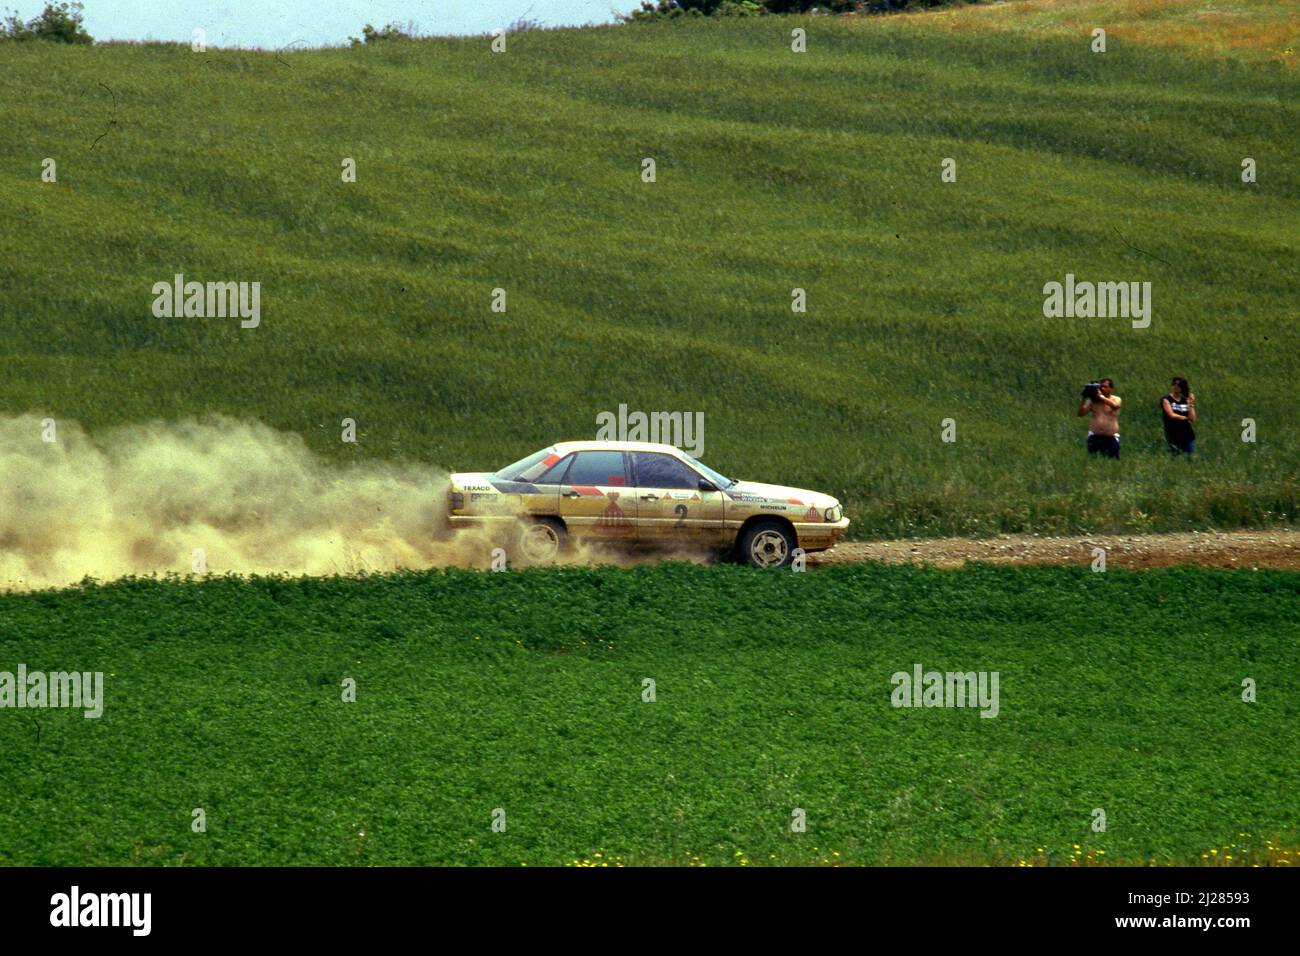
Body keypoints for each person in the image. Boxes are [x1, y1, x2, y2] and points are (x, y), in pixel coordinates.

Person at [1077, 378, 1121, 458]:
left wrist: (1101, 397)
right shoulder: (1093, 401)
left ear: (1111, 389)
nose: (1102, 389)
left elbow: (1115, 406)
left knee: (1113, 461)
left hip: (1111, 437)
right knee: (1093, 460)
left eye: (1105, 387)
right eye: (1101, 387)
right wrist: (1084, 398)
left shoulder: (1116, 399)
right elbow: (1081, 413)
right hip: (1095, 437)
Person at [1161, 376, 1196, 455]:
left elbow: (1193, 419)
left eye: (1179, 385)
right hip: (1173, 433)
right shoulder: (1166, 399)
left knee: (1190, 457)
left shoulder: (1185, 400)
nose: (1176, 386)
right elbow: (1171, 415)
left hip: (1187, 433)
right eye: (1174, 384)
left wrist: (1190, 403)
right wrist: (1184, 418)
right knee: (1175, 456)